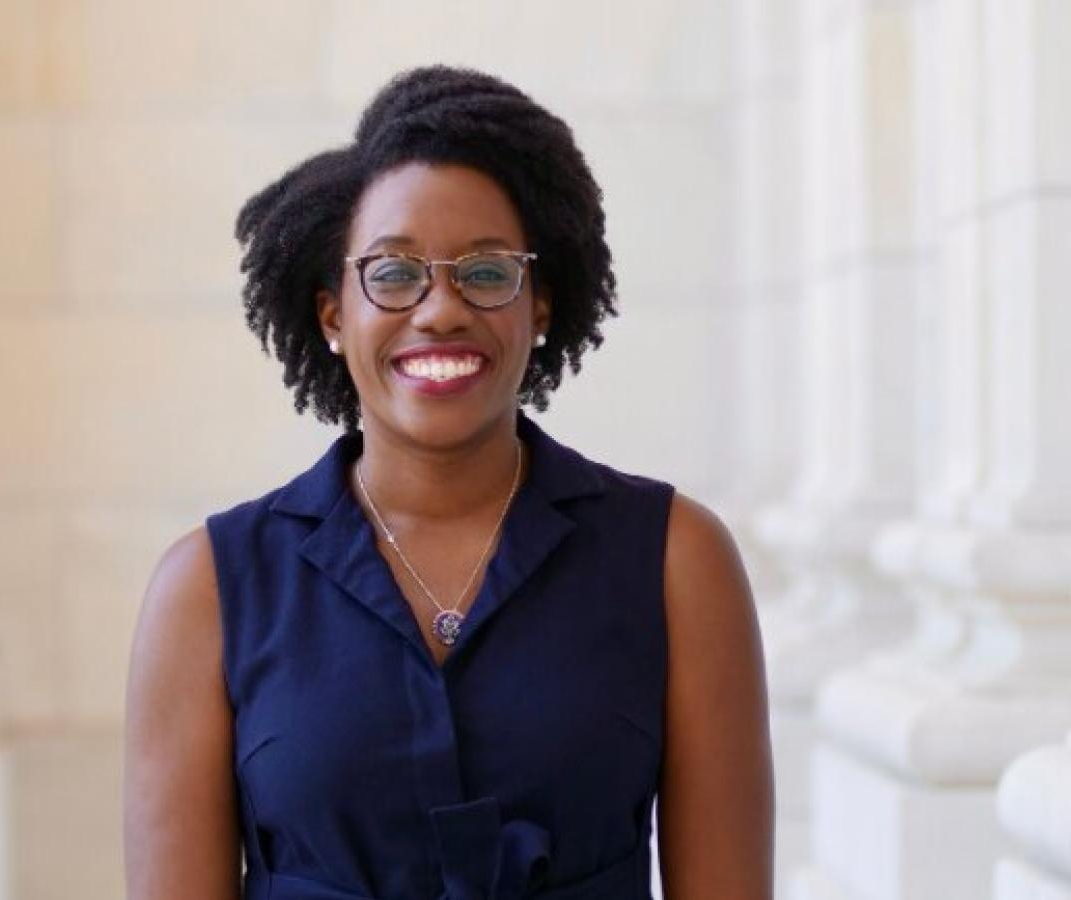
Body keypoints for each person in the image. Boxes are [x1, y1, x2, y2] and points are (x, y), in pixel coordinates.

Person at [124, 66, 773, 900]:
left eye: (488, 271)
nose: (439, 309)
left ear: (539, 304)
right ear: (332, 316)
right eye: (392, 274)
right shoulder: (209, 587)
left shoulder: (676, 561)